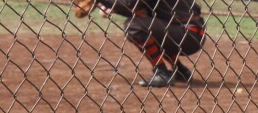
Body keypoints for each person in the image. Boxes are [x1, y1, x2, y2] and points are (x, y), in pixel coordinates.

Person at [73, 0, 206, 88]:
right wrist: (111, 6)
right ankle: (180, 71)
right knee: (142, 26)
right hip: (187, 31)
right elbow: (137, 7)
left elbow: (130, 4)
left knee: (134, 26)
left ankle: (162, 72)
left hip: (188, 33)